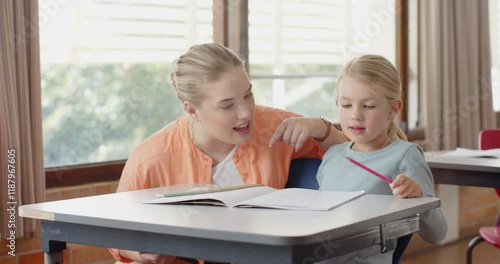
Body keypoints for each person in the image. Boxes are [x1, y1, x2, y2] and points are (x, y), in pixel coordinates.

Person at [110, 42, 347, 264]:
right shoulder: (151, 158)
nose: (246, 112)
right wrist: (138, 251)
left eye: (248, 95)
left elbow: (360, 159)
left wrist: (322, 128)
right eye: (227, 106)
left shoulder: (275, 128)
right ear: (192, 109)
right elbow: (113, 231)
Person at [315, 54, 447, 263]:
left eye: (368, 106)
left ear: (393, 109)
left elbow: (437, 233)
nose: (355, 115)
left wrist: (420, 198)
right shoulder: (333, 155)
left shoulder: (405, 156)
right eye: (347, 105)